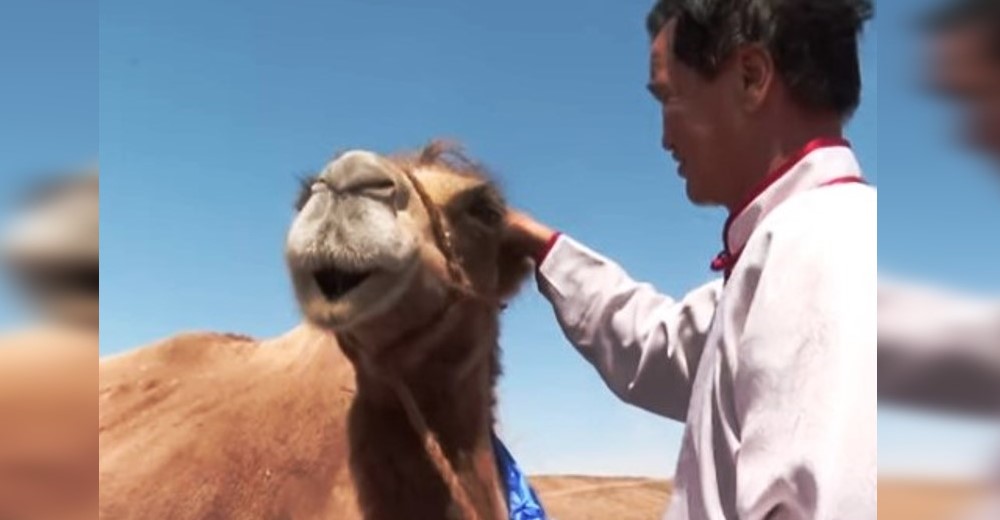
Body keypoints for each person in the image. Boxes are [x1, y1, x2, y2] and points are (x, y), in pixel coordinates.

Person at [505, 1, 876, 518]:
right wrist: (540, 245)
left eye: (669, 99)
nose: (663, 138)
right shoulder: (786, 250)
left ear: (750, 77)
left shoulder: (818, 249)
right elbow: (660, 347)